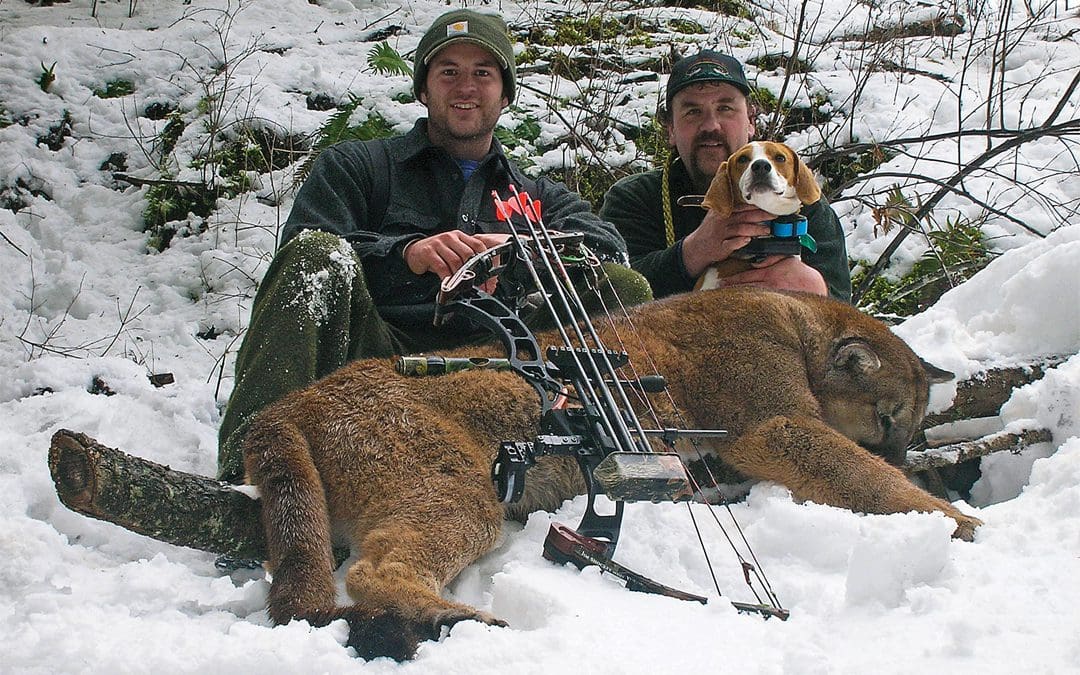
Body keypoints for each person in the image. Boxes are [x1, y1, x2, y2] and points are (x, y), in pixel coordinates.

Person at [216, 9, 652, 482]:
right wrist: (407, 254)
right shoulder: (359, 166)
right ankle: (248, 478)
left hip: (501, 368)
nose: (466, 87)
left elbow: (608, 249)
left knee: (621, 286)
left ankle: (606, 461)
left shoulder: (539, 196)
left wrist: (518, 249)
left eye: (483, 73)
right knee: (316, 259)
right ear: (423, 89)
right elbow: (304, 244)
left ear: (505, 94)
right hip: (377, 358)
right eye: (449, 72)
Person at [600, 51, 851, 301]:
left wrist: (816, 287)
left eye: (726, 108)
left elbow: (845, 311)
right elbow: (612, 296)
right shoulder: (634, 199)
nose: (711, 125)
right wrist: (694, 251)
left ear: (751, 121)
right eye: (693, 112)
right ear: (671, 130)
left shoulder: (802, 200)